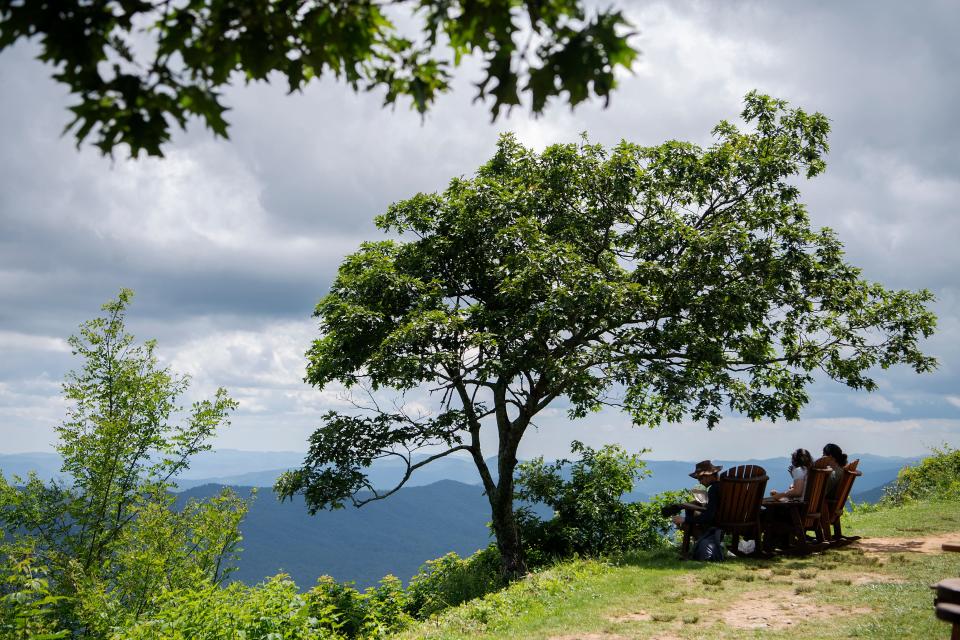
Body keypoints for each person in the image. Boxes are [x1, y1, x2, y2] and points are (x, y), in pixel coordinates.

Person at [672, 460, 723, 529]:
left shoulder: (713, 489)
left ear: (710, 475)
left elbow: (708, 516)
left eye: (700, 478)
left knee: (691, 510)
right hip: (737, 521)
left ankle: (694, 535)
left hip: (718, 523)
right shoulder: (724, 486)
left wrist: (684, 519)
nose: (700, 482)